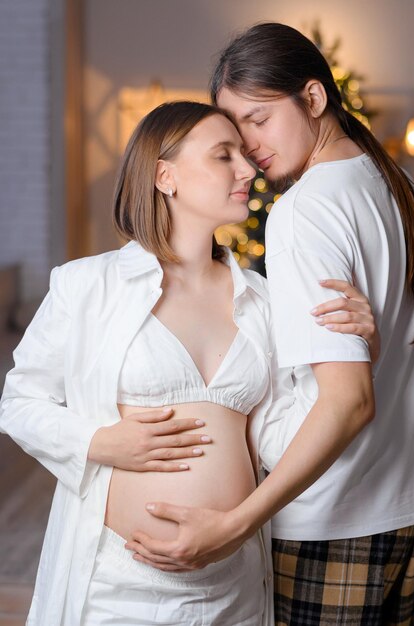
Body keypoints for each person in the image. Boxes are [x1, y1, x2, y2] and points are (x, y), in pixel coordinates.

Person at [0, 100, 378, 626]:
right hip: (114, 587)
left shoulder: (264, 301)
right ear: (165, 176)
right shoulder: (88, 285)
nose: (248, 169)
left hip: (234, 585)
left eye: (245, 155)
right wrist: (99, 442)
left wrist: (358, 352)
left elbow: (277, 438)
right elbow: (18, 402)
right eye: (224, 155)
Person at [126, 23, 414, 626]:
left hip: (337, 522)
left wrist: (235, 523)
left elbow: (348, 403)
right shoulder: (398, 185)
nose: (249, 147)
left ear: (312, 99)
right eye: (234, 128)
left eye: (258, 118)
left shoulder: (305, 210)